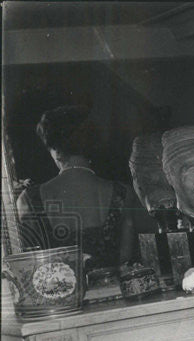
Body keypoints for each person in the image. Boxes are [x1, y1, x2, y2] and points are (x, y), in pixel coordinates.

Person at [16, 105, 137, 268]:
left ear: (56, 150)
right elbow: (126, 258)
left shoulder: (29, 199)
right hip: (115, 289)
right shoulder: (123, 193)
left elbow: (30, 266)